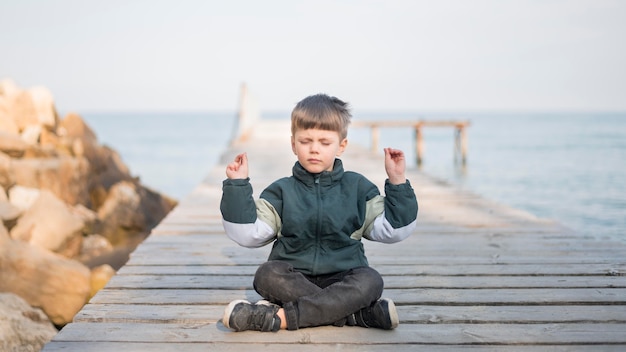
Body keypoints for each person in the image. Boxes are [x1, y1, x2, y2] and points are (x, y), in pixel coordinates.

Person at [220, 93, 418, 332]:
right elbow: (247, 233)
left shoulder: (358, 188)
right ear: (293, 144)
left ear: (341, 146)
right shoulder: (281, 191)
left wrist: (397, 182)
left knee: (371, 281)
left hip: (344, 277)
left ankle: (278, 319)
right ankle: (355, 315)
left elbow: (394, 230)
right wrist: (238, 186)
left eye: (324, 143)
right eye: (305, 141)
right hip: (293, 278)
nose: (314, 149)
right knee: (266, 275)